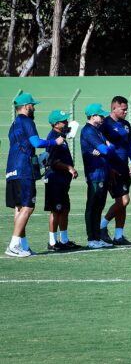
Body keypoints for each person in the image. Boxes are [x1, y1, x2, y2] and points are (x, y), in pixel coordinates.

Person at [6, 93, 59, 257]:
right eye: (32, 105)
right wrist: (54, 142)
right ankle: (13, 245)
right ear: (26, 106)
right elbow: (36, 142)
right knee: (28, 207)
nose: (34, 107)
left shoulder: (14, 123)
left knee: (20, 208)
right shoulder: (27, 121)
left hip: (12, 169)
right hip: (23, 170)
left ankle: (23, 246)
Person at [99, 96, 131, 245]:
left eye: (127, 109)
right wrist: (109, 168)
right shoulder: (105, 124)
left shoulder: (126, 124)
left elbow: (130, 145)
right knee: (124, 200)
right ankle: (101, 226)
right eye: (123, 109)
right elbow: (101, 147)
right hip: (112, 169)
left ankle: (119, 236)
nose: (126, 112)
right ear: (114, 108)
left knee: (122, 202)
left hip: (124, 168)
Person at [44, 110, 80, 251]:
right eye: (63, 121)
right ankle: (52, 242)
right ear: (55, 124)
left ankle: (64, 240)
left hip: (62, 181)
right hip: (54, 180)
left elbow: (70, 130)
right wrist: (69, 167)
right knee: (56, 210)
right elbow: (52, 162)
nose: (66, 123)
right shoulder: (53, 137)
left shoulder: (60, 136)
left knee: (64, 209)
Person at [81, 103, 116, 249]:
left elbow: (110, 148)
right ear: (92, 116)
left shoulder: (97, 130)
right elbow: (106, 150)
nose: (102, 117)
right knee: (93, 206)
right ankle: (91, 238)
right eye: (100, 115)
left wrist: (107, 147)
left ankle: (97, 237)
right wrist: (106, 147)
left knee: (99, 206)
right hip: (95, 174)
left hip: (103, 173)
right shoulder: (88, 131)